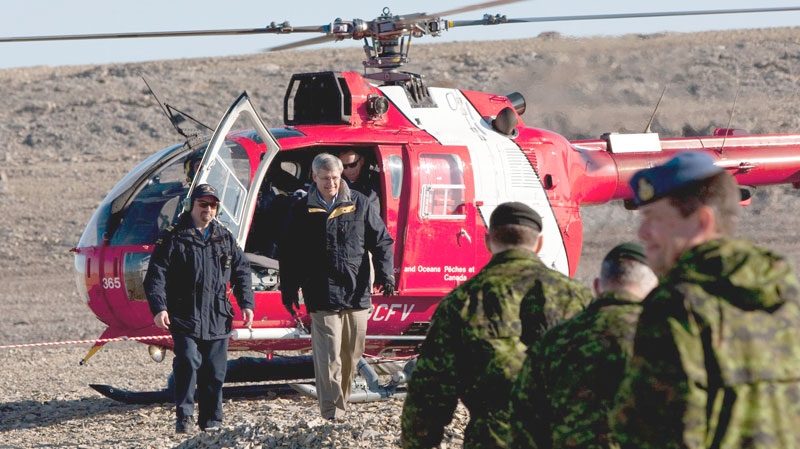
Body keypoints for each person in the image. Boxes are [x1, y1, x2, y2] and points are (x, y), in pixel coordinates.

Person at [612, 152, 800, 448]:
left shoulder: (677, 305)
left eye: (654, 218)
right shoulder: (783, 292)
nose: (642, 233)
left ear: (702, 221)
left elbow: (661, 433)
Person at [401, 202, 593, 449]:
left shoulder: (463, 301)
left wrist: (418, 442)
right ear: (539, 244)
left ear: (488, 241)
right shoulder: (577, 296)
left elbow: (429, 392)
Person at [278, 153, 395, 421]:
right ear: (314, 177)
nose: (330, 183)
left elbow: (381, 242)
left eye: (334, 178)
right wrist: (289, 289)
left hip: (356, 292)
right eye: (325, 178)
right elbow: (290, 253)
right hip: (321, 293)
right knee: (329, 356)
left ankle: (340, 405)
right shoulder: (301, 209)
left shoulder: (360, 203)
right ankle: (332, 413)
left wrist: (385, 275)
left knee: (351, 356)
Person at [508, 242, 657, 449]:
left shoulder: (554, 341)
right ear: (654, 290)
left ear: (596, 287)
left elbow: (524, 422)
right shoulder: (662, 338)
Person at [144, 183, 254, 434]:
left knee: (215, 372)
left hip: (217, 316)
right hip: (185, 316)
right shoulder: (173, 237)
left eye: (213, 205)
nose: (208, 210)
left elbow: (242, 271)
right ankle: (184, 417)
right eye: (203, 204)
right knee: (188, 361)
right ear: (191, 205)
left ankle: (212, 423)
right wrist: (159, 308)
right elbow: (155, 276)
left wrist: (247, 303)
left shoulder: (224, 237)